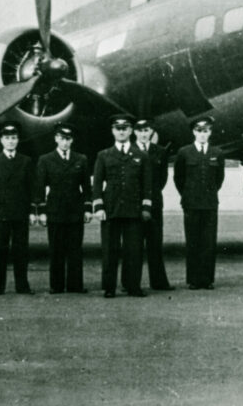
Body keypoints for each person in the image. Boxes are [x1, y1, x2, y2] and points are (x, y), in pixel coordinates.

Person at [92, 115, 152, 298]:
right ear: (112, 131)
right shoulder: (103, 155)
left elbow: (146, 184)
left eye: (125, 128)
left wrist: (146, 207)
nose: (121, 131)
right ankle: (109, 288)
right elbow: (97, 184)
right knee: (110, 251)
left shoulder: (141, 156)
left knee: (134, 251)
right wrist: (98, 207)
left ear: (130, 131)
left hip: (133, 211)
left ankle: (133, 286)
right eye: (118, 128)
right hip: (111, 210)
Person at [35, 123, 92, 294]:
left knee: (75, 249)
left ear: (72, 140)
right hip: (55, 210)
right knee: (56, 249)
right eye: (62, 139)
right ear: (56, 139)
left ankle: (75, 285)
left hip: (75, 210)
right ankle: (56, 285)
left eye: (68, 139)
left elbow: (86, 187)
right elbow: (39, 187)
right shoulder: (45, 159)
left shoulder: (81, 159)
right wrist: (42, 211)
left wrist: (87, 208)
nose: (65, 142)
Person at [0, 122, 36, 295]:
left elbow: (31, 188)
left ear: (18, 140)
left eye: (14, 138)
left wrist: (32, 212)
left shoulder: (26, 161)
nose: (11, 142)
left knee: (21, 251)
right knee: (0, 251)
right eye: (7, 138)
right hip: (1, 212)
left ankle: (22, 286)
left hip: (20, 212)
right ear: (1, 140)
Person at [173, 116, 225, 290]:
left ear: (210, 132)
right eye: (199, 131)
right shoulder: (184, 152)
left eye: (206, 131)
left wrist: (208, 194)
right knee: (193, 241)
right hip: (191, 203)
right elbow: (179, 178)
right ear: (194, 132)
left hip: (210, 203)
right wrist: (188, 195)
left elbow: (219, 179)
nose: (203, 134)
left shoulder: (217, 153)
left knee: (209, 242)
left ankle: (207, 279)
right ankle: (194, 280)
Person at [133, 119, 173, 291]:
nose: (143, 133)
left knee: (155, 243)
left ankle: (159, 282)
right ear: (135, 132)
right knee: (134, 244)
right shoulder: (129, 150)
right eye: (140, 130)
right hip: (133, 203)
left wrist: (152, 195)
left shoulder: (160, 152)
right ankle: (132, 283)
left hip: (155, 203)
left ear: (151, 132)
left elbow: (162, 179)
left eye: (146, 130)